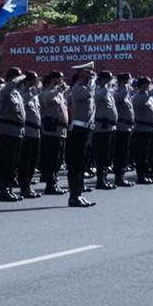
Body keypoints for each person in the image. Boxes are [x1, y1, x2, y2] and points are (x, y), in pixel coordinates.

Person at [66, 63, 96, 207]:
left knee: (82, 164)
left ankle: (78, 194)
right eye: (88, 74)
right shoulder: (78, 89)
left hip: (86, 130)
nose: (91, 76)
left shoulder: (84, 88)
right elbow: (89, 93)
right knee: (76, 165)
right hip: (78, 130)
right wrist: (93, 81)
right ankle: (74, 196)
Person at [0, 69, 27, 202]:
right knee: (6, 163)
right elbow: (7, 90)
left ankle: (9, 189)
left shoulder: (16, 93)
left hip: (17, 132)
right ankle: (4, 191)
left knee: (13, 163)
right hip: (7, 132)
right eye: (17, 78)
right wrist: (17, 79)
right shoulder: (5, 90)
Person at [37, 72, 68, 195]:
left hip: (60, 131)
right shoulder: (47, 92)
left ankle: (53, 182)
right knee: (51, 159)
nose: (62, 81)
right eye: (59, 79)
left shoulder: (58, 93)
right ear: (53, 80)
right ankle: (50, 185)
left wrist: (61, 91)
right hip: (51, 131)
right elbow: (45, 98)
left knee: (58, 159)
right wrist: (57, 89)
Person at [19, 72, 43, 199]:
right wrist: (31, 93)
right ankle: (24, 187)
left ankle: (28, 185)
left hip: (36, 131)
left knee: (33, 160)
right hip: (27, 131)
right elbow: (21, 104)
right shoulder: (22, 92)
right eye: (35, 80)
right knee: (25, 161)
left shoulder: (34, 93)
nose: (37, 82)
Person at [92, 71, 118, 189]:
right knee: (101, 155)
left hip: (109, 127)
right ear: (103, 79)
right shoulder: (98, 90)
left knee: (108, 155)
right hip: (101, 127)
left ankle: (105, 178)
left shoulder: (107, 91)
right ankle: (100, 180)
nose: (110, 81)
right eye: (108, 79)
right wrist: (106, 87)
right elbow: (97, 97)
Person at [113, 73, 135, 187]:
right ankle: (118, 177)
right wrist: (125, 87)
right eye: (128, 80)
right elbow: (118, 98)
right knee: (120, 153)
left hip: (128, 127)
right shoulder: (118, 91)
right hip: (121, 126)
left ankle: (122, 176)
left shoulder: (126, 93)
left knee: (125, 153)